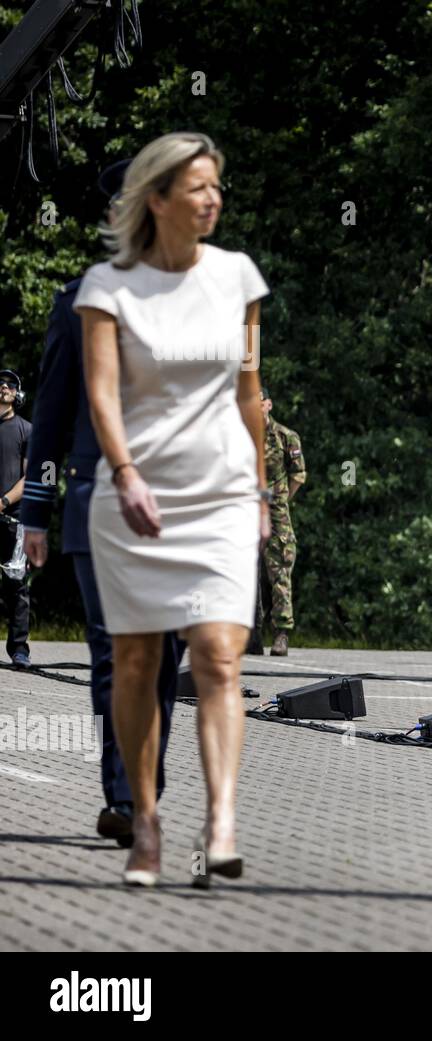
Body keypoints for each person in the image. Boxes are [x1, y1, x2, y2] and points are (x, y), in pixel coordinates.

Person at [74, 131, 272, 886]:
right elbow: (100, 394)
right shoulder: (108, 288)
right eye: (197, 187)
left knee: (220, 654)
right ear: (157, 198)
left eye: (217, 185)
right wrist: (123, 472)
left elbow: (250, 392)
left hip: (221, 492)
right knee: (136, 661)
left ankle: (220, 821)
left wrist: (259, 488)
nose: (212, 198)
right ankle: (147, 822)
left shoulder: (239, 278)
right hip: (135, 495)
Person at [21, 159, 185, 844]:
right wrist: (34, 509)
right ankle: (130, 799)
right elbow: (53, 414)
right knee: (117, 652)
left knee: (165, 653)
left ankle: (141, 783)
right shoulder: (77, 301)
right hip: (98, 502)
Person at [257, 388, 306, 656]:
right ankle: (248, 633)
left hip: (276, 512)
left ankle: (281, 633)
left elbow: (298, 475)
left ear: (268, 404)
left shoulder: (285, 437)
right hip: (244, 509)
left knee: (279, 570)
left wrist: (282, 498)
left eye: (259, 402)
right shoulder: (242, 436)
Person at [0, 368, 31, 668]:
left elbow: (35, 475)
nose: (4, 387)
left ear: (17, 393)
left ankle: (19, 650)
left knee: (16, 585)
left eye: (10, 384)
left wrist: (4, 501)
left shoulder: (27, 430)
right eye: (0, 383)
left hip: (14, 519)